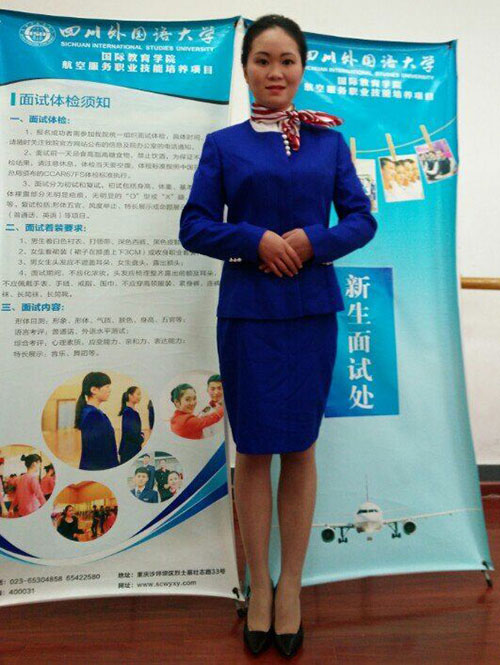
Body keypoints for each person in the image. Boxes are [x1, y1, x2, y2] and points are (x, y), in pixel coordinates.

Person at [178, 14, 377, 659]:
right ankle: (256, 585)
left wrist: (312, 242)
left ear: (302, 67)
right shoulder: (224, 145)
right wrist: (254, 239)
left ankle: (290, 584)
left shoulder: (329, 144)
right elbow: (194, 226)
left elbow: (361, 219)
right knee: (254, 450)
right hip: (249, 313)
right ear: (245, 69)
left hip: (310, 311)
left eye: (287, 60)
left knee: (300, 448)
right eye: (263, 60)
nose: (275, 72)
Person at [74, 371, 119, 470]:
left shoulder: (91, 412)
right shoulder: (93, 415)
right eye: (107, 386)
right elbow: (98, 451)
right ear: (94, 390)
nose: (109, 390)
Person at [118, 386, 145, 463]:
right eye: (138, 394)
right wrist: (141, 438)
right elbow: (130, 433)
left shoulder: (132, 412)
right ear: (130, 396)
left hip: (132, 448)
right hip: (129, 451)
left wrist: (141, 434)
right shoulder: (128, 412)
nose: (140, 397)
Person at [14, 453, 46, 517]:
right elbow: (40, 496)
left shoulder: (20, 478)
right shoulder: (32, 478)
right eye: (39, 464)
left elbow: (17, 495)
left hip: (22, 511)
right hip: (32, 511)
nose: (40, 467)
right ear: (34, 463)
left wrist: (11, 508)